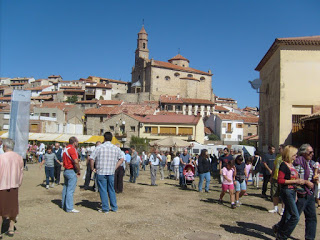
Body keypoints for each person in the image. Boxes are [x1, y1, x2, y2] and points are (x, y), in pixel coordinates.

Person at [273, 145, 303, 240]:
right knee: (295, 216)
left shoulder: (292, 165)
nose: (296, 156)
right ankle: (282, 235)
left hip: (292, 191)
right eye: (294, 155)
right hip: (286, 191)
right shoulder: (284, 165)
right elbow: (280, 180)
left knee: (288, 214)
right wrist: (295, 181)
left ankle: (278, 228)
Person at [90, 132, 124, 213]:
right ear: (112, 138)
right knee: (111, 189)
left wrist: (92, 168)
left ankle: (105, 208)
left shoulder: (99, 147)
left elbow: (91, 158)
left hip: (101, 171)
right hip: (111, 172)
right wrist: (115, 167)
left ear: (104, 138)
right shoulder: (116, 148)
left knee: (103, 190)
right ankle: (114, 207)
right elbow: (122, 159)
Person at [293, 144, 318, 240]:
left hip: (310, 193)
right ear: (303, 153)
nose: (312, 154)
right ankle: (281, 230)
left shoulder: (312, 163)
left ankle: (310, 238)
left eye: (312, 152)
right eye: (310, 152)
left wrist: (315, 180)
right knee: (294, 217)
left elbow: (312, 176)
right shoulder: (298, 163)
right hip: (300, 193)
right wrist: (306, 182)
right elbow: (294, 177)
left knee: (312, 218)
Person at [0, 138, 24, 238]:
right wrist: (18, 183)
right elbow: (21, 173)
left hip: (2, 185)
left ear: (4, 146)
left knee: (1, 210)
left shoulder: (1, 157)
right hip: (14, 185)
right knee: (13, 208)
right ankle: (11, 229)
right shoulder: (19, 158)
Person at [61, 137, 81, 213]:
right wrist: (78, 170)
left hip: (66, 169)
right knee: (70, 190)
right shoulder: (72, 149)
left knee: (65, 188)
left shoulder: (65, 148)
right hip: (71, 170)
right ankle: (69, 207)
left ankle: (64, 205)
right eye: (77, 142)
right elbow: (76, 162)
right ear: (74, 142)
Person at [269, 144, 285, 214]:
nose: (278, 150)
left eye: (280, 149)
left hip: (283, 178)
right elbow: (274, 167)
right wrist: (272, 176)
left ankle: (283, 209)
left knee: (283, 195)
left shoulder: (286, 157)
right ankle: (275, 208)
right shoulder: (278, 157)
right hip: (276, 177)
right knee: (275, 193)